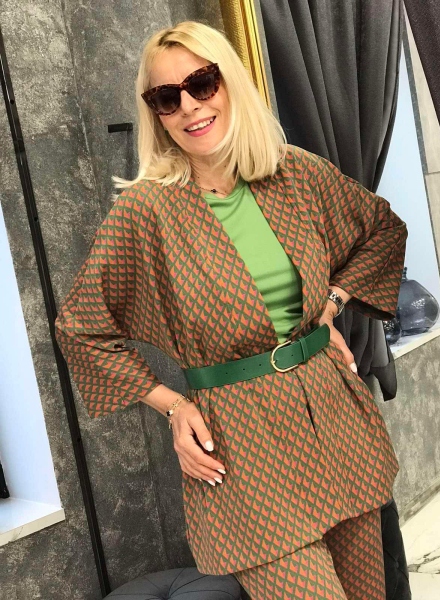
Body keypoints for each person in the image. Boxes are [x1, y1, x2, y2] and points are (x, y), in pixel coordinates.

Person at [55, 20, 408, 600]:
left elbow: (381, 231)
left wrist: (330, 306)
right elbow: (81, 328)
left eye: (201, 84)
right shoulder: (146, 212)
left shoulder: (293, 172)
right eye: (167, 98)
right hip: (243, 448)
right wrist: (172, 406)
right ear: (156, 114)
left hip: (334, 416)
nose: (190, 106)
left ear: (229, 83)